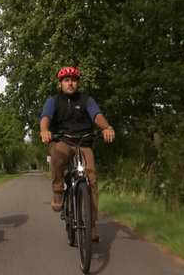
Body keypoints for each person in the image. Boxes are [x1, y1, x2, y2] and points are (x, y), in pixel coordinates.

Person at [39, 66, 115, 242]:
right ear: (60, 84)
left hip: (83, 141)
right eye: (66, 80)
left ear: (77, 82)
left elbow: (97, 115)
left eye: (73, 80)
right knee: (57, 156)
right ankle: (58, 190)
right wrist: (44, 131)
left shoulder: (86, 100)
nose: (70, 83)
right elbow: (45, 117)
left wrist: (106, 127)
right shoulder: (54, 101)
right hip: (62, 140)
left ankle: (92, 224)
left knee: (92, 179)